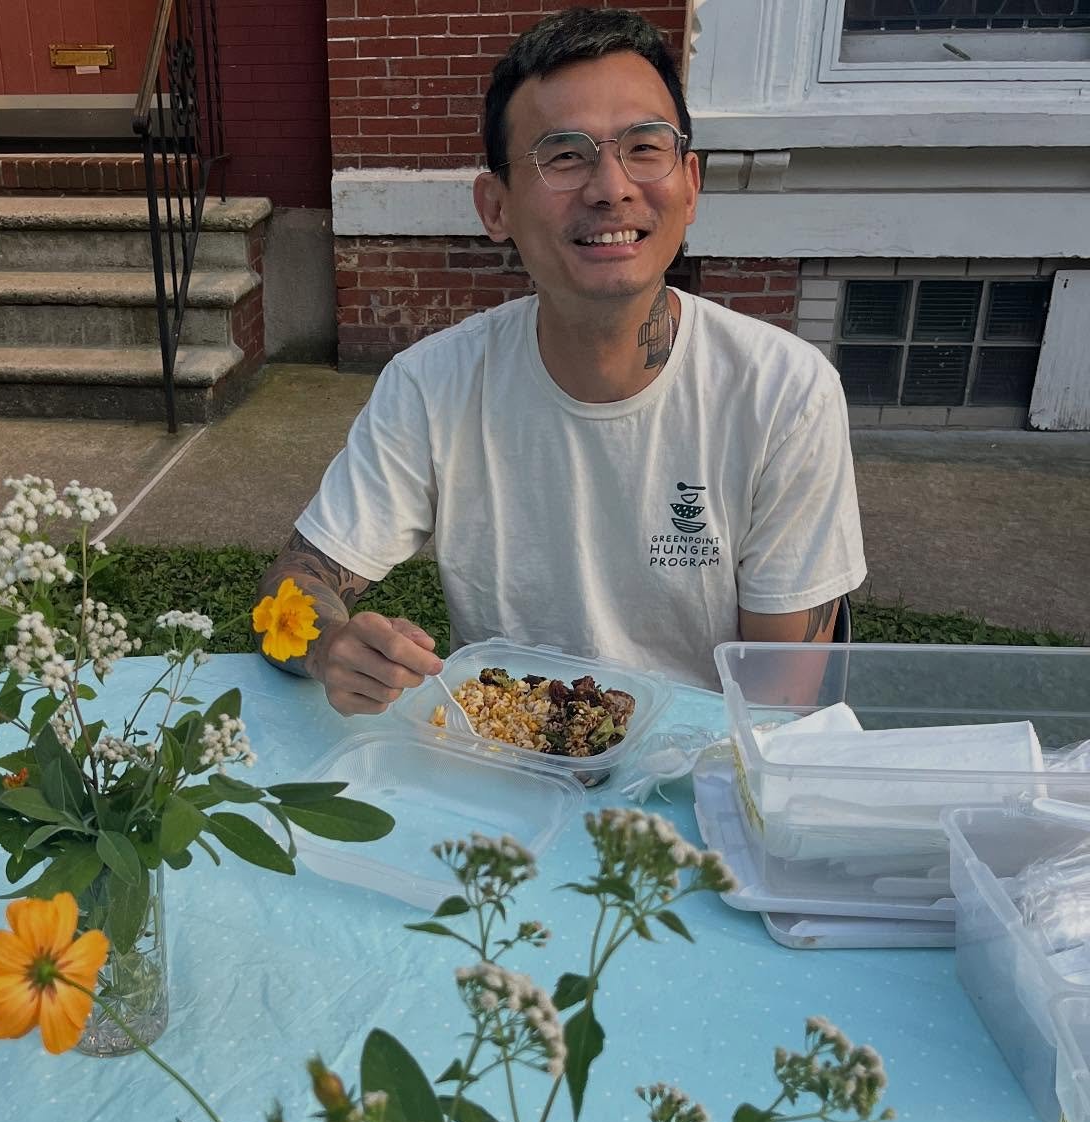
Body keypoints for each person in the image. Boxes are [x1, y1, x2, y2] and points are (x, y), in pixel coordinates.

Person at [257, 6, 866, 714]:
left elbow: (777, 708)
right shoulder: (434, 387)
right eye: (565, 155)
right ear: (495, 207)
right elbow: (291, 584)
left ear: (691, 183)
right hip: (509, 761)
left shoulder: (783, 394)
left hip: (700, 771)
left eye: (645, 147)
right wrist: (331, 646)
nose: (611, 186)